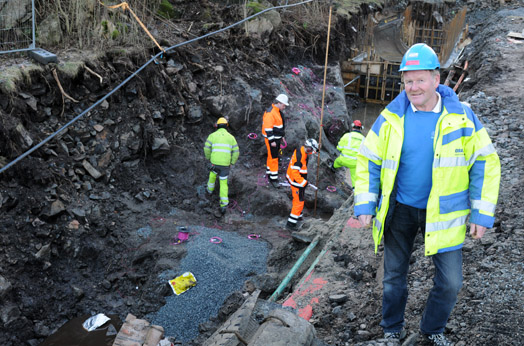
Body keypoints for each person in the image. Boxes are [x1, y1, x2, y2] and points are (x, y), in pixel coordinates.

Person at [353, 43, 500, 346]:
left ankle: (432, 329)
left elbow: (485, 162)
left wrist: (481, 213)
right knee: (393, 279)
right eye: (408, 81)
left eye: (420, 80)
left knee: (450, 283)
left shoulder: (462, 116)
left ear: (436, 79)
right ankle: (392, 331)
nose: (414, 87)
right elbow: (368, 159)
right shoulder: (391, 116)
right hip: (400, 210)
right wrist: (366, 203)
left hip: (446, 212)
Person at [204, 117, 239, 214]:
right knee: (223, 184)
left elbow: (206, 148)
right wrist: (232, 162)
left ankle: (209, 192)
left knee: (212, 176)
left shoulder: (212, 136)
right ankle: (223, 205)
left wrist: (209, 158)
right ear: (227, 126)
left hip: (214, 162)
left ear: (217, 126)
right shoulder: (231, 138)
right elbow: (236, 152)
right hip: (225, 165)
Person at [285, 138, 319, 230]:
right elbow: (295, 172)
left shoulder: (301, 151)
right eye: (310, 150)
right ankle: (291, 224)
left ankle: (298, 215)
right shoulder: (300, 158)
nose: (311, 152)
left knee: (298, 199)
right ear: (308, 148)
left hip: (297, 181)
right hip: (296, 182)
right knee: (299, 203)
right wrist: (303, 182)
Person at [262, 93, 288, 188]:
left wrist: (282, 136)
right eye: (284, 105)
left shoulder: (277, 111)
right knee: (274, 159)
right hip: (272, 140)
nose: (284, 107)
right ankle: (274, 179)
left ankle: (269, 173)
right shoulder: (271, 113)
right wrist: (272, 141)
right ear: (279, 103)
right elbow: (268, 128)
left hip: (276, 138)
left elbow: (278, 126)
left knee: (271, 157)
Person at [332, 120, 365, 186]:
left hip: (343, 160)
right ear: (361, 128)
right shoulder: (364, 139)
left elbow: (339, 147)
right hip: (354, 163)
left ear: (352, 127)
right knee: (354, 177)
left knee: (336, 162)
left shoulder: (347, 136)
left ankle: (332, 169)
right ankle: (354, 189)